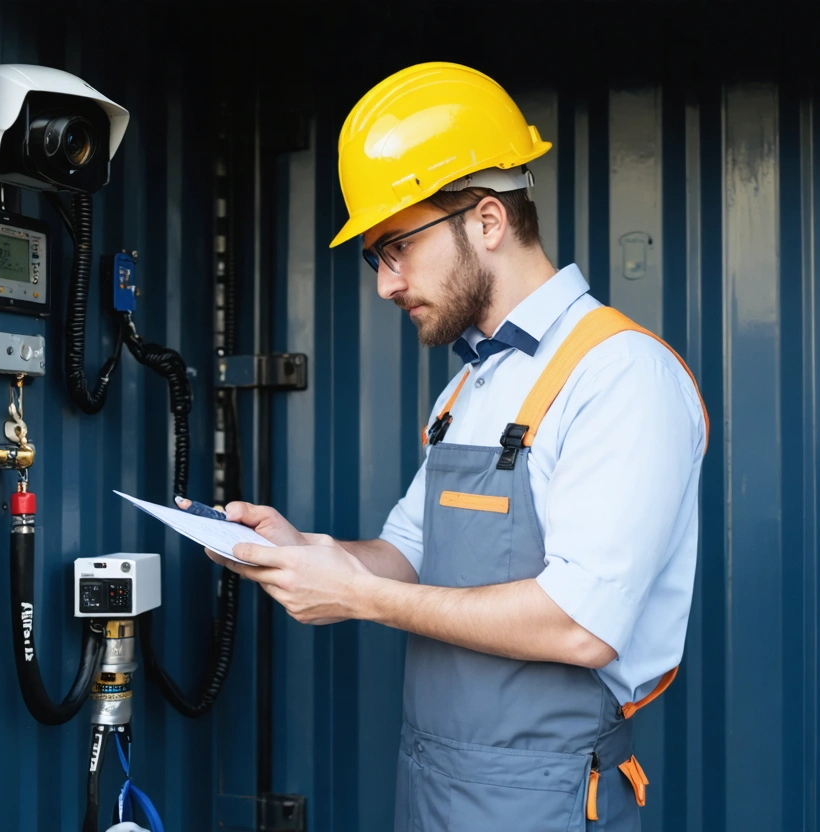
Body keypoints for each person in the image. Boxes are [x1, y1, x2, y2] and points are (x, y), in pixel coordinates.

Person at [205, 62, 707, 831]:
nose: (384, 284)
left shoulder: (619, 374)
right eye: (377, 257)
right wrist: (306, 551)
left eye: (396, 247)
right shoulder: (466, 390)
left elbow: (582, 625)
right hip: (433, 785)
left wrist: (359, 598)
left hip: (543, 798)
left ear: (486, 221)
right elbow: (408, 551)